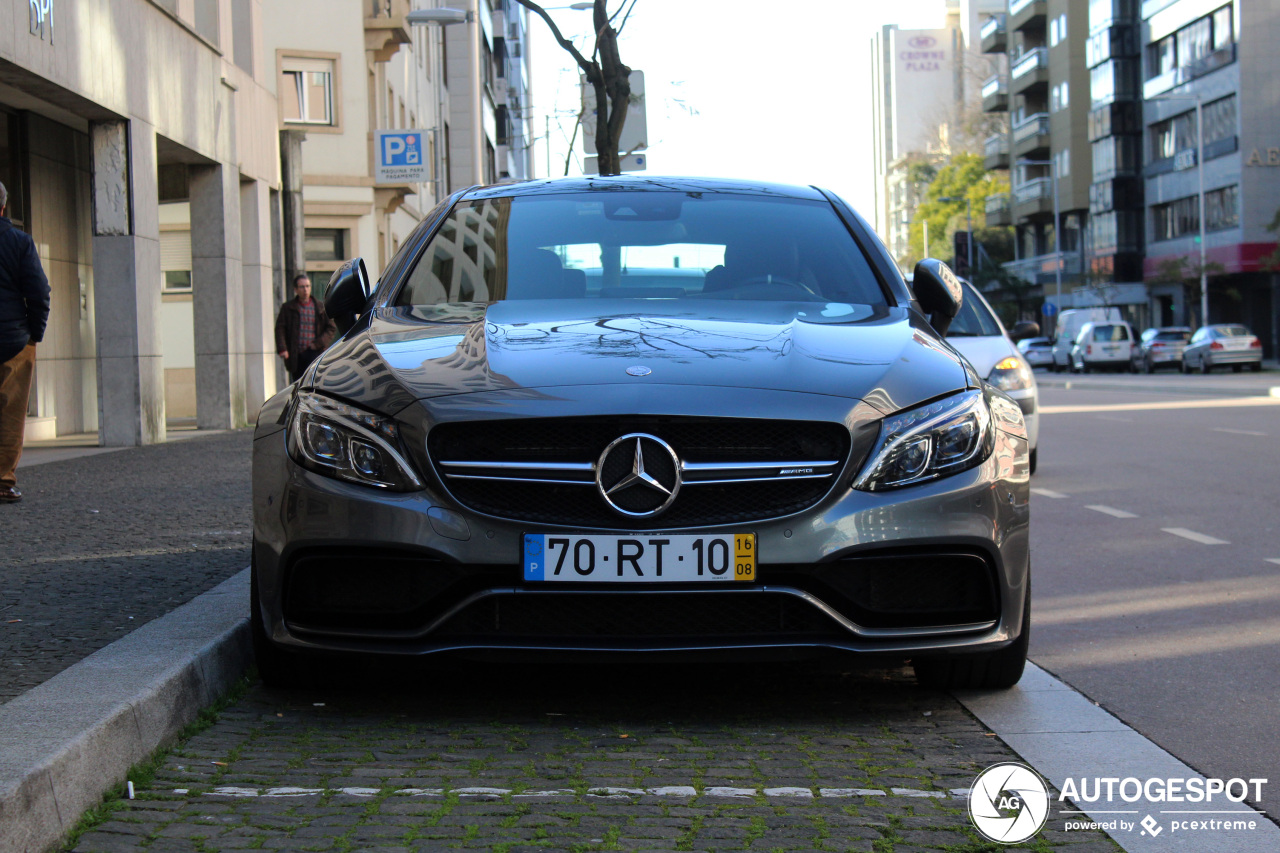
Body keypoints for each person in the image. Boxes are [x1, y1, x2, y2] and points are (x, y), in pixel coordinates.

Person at [0, 180, 51, 504]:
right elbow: (39, 292)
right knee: (10, 415)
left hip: (15, 336)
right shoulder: (19, 242)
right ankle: (3, 483)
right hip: (13, 341)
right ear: (3, 206)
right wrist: (35, 334)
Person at [274, 274, 335, 383]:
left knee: (314, 381)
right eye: (302, 287)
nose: (305, 290)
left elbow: (331, 328)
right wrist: (283, 348)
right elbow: (280, 329)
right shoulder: (288, 308)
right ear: (296, 289)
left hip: (314, 351)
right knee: (299, 383)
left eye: (307, 286)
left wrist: (319, 343)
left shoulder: (320, 307)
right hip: (295, 353)